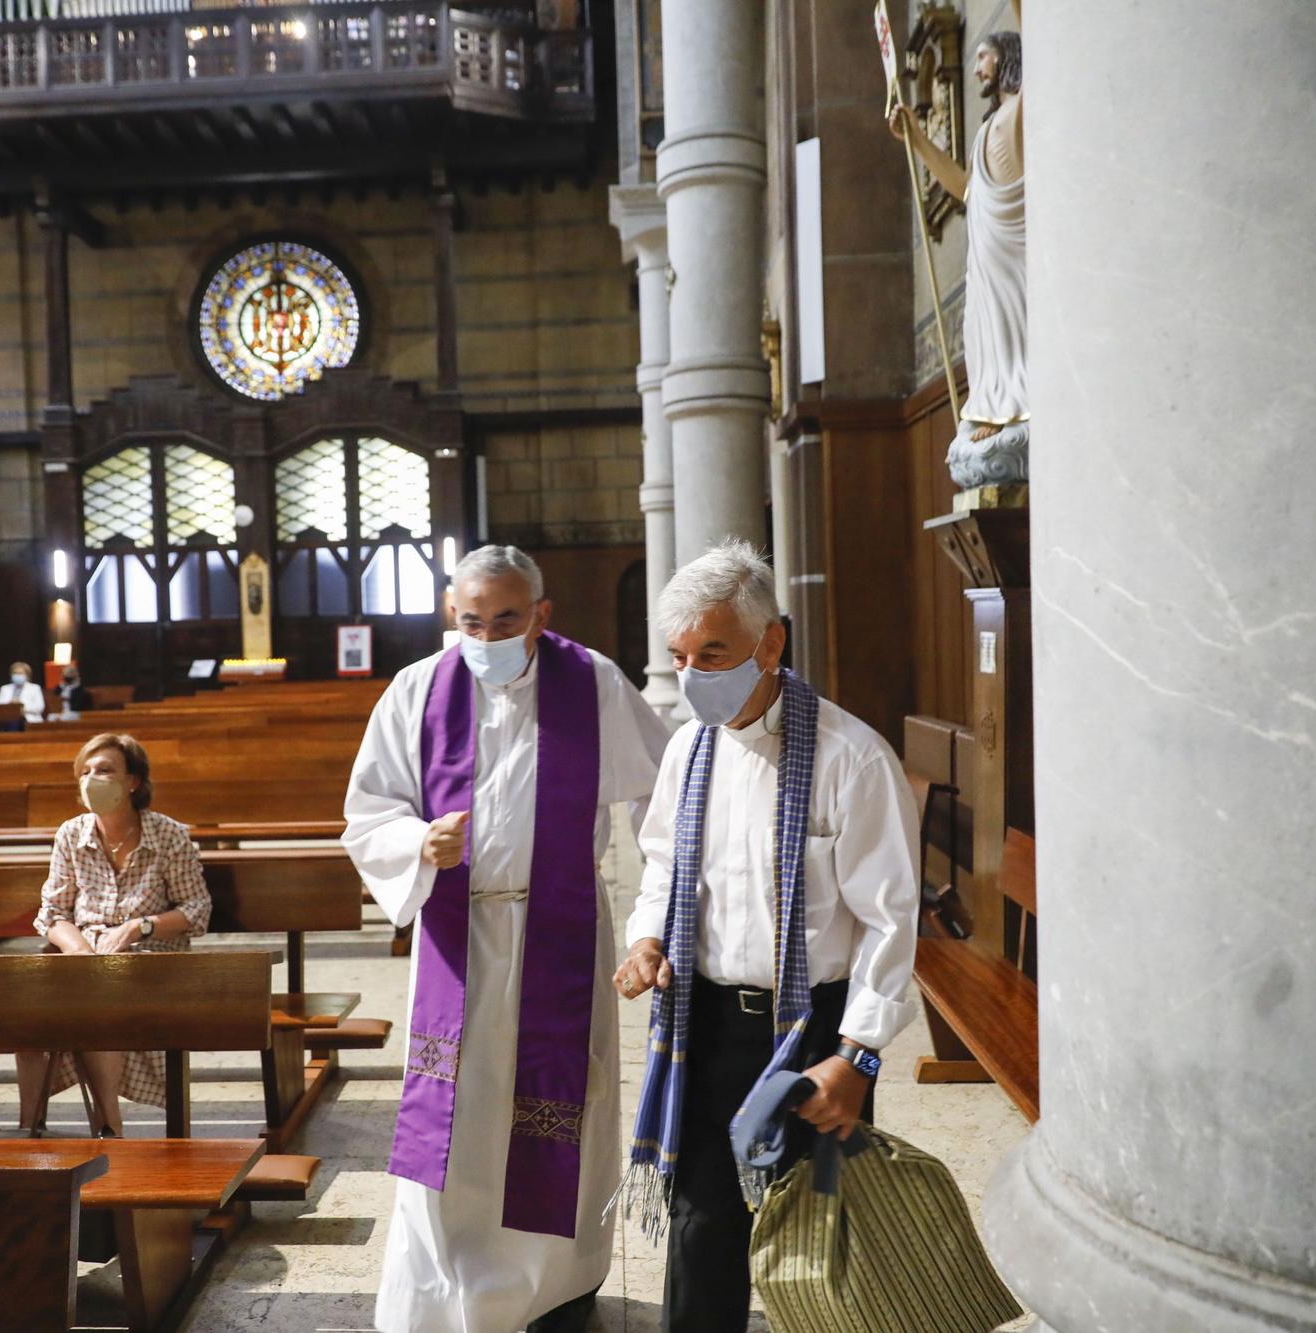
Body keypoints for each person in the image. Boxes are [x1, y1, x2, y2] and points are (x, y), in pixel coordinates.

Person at [343, 544, 670, 1333]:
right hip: (457, 937)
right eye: (469, 620)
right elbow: (368, 810)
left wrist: (651, 926)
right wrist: (417, 842)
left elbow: (662, 809)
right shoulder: (417, 689)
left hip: (559, 932)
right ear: (451, 615)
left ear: (542, 615)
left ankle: (551, 1287)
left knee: (557, 1106)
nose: (484, 637)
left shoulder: (592, 683)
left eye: (505, 620)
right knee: (454, 1114)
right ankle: (441, 1284)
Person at [615, 540, 919, 1333]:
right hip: (707, 1021)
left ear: (771, 641)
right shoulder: (688, 748)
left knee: (816, 1238)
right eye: (679, 656)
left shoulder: (851, 759)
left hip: (813, 1031)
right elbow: (662, 863)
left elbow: (891, 920)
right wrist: (649, 937)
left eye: (712, 652)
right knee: (703, 1224)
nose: (693, 675)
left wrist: (860, 1055)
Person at [18, 733, 212, 1136]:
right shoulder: (72, 834)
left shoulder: (167, 835)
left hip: (153, 957)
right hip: (86, 957)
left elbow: (196, 909)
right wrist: (78, 950)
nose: (92, 779)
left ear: (132, 782)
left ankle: (108, 1123)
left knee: (101, 992)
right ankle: (29, 1126)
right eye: (85, 772)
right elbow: (53, 912)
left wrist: (138, 927)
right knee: (26, 1012)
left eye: (104, 770)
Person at [888, 0, 1026, 482]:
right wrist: (917, 140)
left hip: (1016, 249)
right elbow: (967, 187)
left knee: (1018, 326)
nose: (976, 67)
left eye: (984, 57)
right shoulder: (988, 126)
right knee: (987, 330)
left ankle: (1015, 407)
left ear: (1007, 59)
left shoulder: (1021, 113)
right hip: (986, 255)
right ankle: (994, 408)